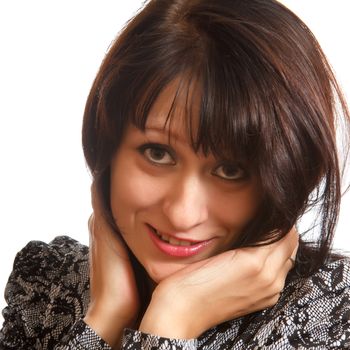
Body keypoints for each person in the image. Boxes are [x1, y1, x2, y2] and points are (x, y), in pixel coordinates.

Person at [1, 0, 349, 349]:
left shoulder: (330, 314)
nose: (182, 213)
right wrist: (106, 316)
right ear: (108, 145)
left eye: (230, 170)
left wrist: (173, 317)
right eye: (158, 153)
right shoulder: (49, 287)